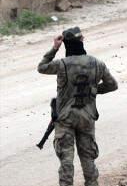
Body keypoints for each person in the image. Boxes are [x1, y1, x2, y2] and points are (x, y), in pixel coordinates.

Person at [37, 27, 118, 186]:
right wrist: (93, 90)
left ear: (67, 44)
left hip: (65, 119)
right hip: (86, 117)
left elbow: (42, 67)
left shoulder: (61, 65)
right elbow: (112, 85)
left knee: (66, 162)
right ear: (81, 41)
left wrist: (54, 48)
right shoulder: (97, 63)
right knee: (88, 159)